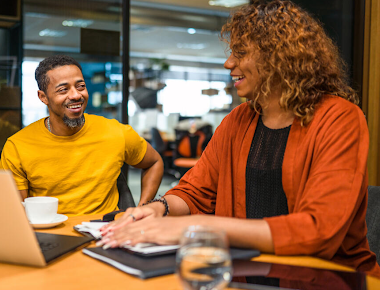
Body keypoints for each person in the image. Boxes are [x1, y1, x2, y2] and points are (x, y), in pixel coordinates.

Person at [100, 0, 380, 276]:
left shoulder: (339, 118)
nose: (228, 62)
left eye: (240, 52)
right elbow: (195, 192)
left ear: (277, 57)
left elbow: (318, 230)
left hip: (326, 279)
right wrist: (159, 209)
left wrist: (196, 228)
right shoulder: (238, 120)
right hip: (244, 274)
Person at [0, 55, 163, 216]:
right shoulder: (18, 146)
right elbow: (15, 211)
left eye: (80, 86)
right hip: (49, 235)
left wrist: (142, 208)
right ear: (43, 97)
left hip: (106, 233)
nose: (76, 95)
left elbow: (154, 162)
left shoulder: (115, 132)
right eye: (63, 90)